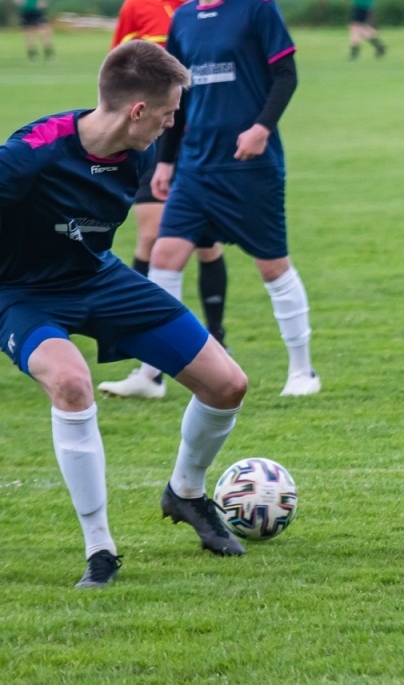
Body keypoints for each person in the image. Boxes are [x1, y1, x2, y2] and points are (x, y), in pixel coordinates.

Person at [0, 40, 254, 587]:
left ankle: (185, 493)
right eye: (166, 115)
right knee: (70, 382)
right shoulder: (32, 152)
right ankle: (101, 549)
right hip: (22, 292)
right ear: (137, 111)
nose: (170, 125)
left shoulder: (137, 152)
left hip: (98, 277)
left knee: (227, 384)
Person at [148, 0, 320, 397]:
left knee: (272, 266)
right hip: (196, 167)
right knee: (164, 257)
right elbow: (176, 101)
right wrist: (165, 159)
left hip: (250, 166)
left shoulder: (257, 7)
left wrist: (262, 128)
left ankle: (302, 370)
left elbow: (286, 76)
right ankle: (155, 371)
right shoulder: (181, 20)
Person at [97, 0, 229, 401]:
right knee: (153, 237)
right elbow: (117, 72)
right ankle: (145, 354)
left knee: (207, 247)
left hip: (205, 148)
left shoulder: (220, 9)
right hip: (151, 143)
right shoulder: (140, 6)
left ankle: (216, 338)